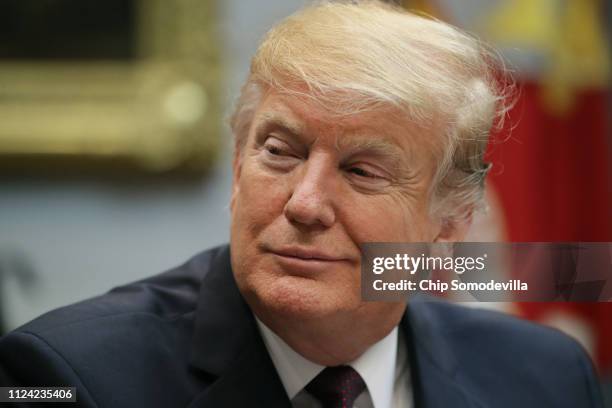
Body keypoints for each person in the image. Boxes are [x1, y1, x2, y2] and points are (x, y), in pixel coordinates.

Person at [0, 1, 604, 407]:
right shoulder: (65, 377)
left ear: (449, 225)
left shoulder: (547, 380)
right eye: (280, 152)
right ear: (238, 168)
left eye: (362, 171)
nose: (306, 203)